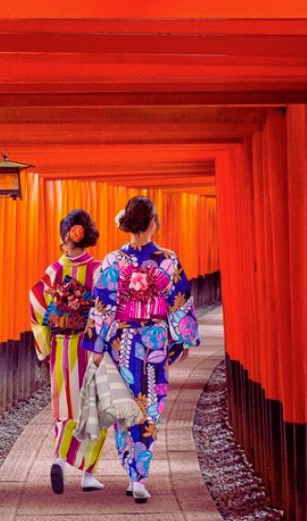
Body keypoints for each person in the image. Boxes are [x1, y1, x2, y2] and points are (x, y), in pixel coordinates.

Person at [83, 196, 201, 503]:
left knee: (126, 406)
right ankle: (139, 476)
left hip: (123, 341)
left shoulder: (112, 262)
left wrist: (98, 345)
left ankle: (130, 470)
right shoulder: (167, 260)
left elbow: (102, 305)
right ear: (153, 223)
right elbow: (179, 301)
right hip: (154, 340)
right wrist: (184, 337)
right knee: (150, 406)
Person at [29, 209, 107, 494]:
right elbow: (105, 308)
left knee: (65, 404)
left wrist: (45, 343)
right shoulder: (98, 269)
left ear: (66, 236)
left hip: (62, 345)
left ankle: (60, 459)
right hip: (90, 346)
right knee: (95, 406)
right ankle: (88, 474)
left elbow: (37, 301)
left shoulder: (54, 270)